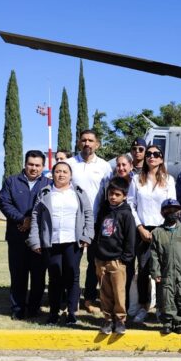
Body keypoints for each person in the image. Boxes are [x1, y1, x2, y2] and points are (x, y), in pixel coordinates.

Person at [28, 161, 94, 326]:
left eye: (65, 171)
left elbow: (88, 214)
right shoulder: (45, 193)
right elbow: (36, 217)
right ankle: (54, 313)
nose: (61, 174)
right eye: (58, 171)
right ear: (53, 174)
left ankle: (71, 313)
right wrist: (35, 240)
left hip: (73, 242)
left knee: (72, 276)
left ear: (70, 175)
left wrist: (87, 236)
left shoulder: (79, 192)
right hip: (52, 242)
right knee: (55, 277)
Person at [0, 149, 52, 320]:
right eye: (30, 164)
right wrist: (22, 219)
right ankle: (18, 309)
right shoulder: (11, 181)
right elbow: (4, 203)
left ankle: (34, 308)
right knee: (18, 276)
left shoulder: (48, 184)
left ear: (43, 166)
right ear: (25, 164)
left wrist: (32, 222)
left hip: (40, 240)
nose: (33, 168)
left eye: (37, 165)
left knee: (38, 276)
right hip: (17, 237)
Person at [127, 144, 176, 323]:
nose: (152, 157)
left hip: (163, 230)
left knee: (163, 271)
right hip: (142, 231)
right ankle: (142, 306)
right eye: (149, 154)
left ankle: (161, 307)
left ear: (161, 158)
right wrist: (140, 227)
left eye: (156, 154)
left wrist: (161, 228)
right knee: (144, 269)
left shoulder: (169, 180)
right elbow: (131, 204)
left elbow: (172, 205)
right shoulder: (136, 180)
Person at [68, 129, 113, 315]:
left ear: (97, 144)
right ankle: (69, 299)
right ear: (79, 143)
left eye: (91, 140)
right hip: (72, 222)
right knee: (71, 263)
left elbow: (109, 194)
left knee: (94, 263)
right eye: (84, 140)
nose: (87, 143)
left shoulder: (104, 166)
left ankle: (89, 299)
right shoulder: (69, 164)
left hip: (96, 223)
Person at [92, 176, 136, 335]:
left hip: (118, 260)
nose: (113, 197)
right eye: (111, 194)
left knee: (119, 292)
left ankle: (120, 320)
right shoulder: (104, 210)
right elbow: (98, 232)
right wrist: (96, 253)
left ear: (124, 196)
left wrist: (125, 258)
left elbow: (131, 238)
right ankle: (108, 320)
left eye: (117, 194)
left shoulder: (126, 214)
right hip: (101, 259)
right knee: (105, 292)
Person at [150, 199, 181, 335]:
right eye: (168, 211)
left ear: (180, 212)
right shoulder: (158, 232)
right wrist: (156, 272)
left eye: (175, 210)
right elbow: (154, 255)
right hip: (166, 273)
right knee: (166, 298)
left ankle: (180, 322)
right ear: (162, 213)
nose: (172, 213)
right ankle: (167, 322)